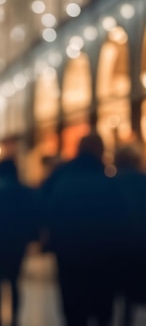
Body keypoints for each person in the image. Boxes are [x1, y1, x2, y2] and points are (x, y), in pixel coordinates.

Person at [42, 133, 128, 326]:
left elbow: (42, 205)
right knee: (102, 309)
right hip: (102, 253)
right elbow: (121, 216)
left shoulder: (62, 174)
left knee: (73, 310)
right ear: (100, 151)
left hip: (68, 250)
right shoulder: (108, 178)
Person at [0, 159, 36, 326]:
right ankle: (14, 317)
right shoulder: (24, 190)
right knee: (14, 280)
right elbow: (30, 215)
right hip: (17, 241)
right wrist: (32, 238)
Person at [113, 144, 146, 325]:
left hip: (120, 247)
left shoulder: (112, 185)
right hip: (142, 245)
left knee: (125, 298)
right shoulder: (144, 183)